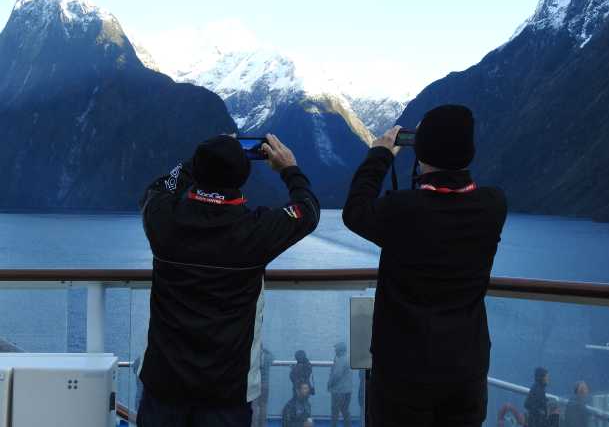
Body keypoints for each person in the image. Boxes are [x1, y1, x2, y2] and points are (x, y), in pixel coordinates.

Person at [137, 134, 320, 427]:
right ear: (243, 176)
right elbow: (307, 210)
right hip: (226, 391)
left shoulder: (162, 218)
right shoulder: (256, 231)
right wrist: (289, 169)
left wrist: (203, 158)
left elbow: (159, 187)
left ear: (197, 170)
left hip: (163, 385)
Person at [342, 105, 508, 427]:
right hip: (465, 368)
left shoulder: (402, 209)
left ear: (421, 152)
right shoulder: (493, 205)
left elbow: (355, 210)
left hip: (402, 370)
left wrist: (380, 155)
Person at [328, 342, 352, 427]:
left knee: (335, 412)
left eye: (336, 349)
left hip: (339, 391)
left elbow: (337, 375)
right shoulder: (349, 358)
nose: (335, 351)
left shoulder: (341, 360)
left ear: (340, 350)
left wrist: (329, 384)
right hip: (348, 390)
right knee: (345, 411)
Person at [252, 347, 274, 427]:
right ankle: (263, 425)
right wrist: (266, 350)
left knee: (254, 407)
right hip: (265, 385)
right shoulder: (267, 357)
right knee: (263, 406)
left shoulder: (252, 356)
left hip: (254, 385)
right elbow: (272, 357)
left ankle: (254, 425)